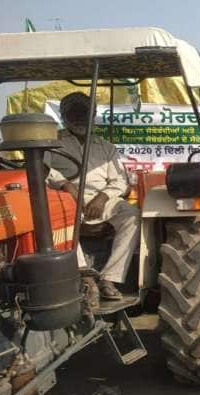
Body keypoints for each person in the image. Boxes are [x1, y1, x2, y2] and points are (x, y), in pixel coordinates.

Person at [46, 92, 140, 301]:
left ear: (93, 114)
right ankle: (84, 276)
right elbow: (42, 170)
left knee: (132, 215)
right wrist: (65, 184)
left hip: (100, 200)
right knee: (52, 215)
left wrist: (102, 197)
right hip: (65, 198)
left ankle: (110, 278)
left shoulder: (106, 147)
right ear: (63, 116)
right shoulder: (53, 142)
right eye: (74, 113)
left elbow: (119, 180)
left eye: (84, 112)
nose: (79, 117)